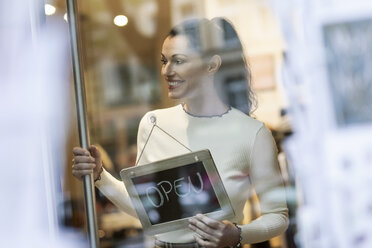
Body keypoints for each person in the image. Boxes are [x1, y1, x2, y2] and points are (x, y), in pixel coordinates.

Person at [72, 17, 288, 248]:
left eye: (179, 61)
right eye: (164, 61)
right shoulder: (153, 124)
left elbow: (278, 216)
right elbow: (147, 208)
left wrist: (237, 234)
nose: (167, 71)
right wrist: (100, 176)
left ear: (212, 65)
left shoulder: (252, 133)